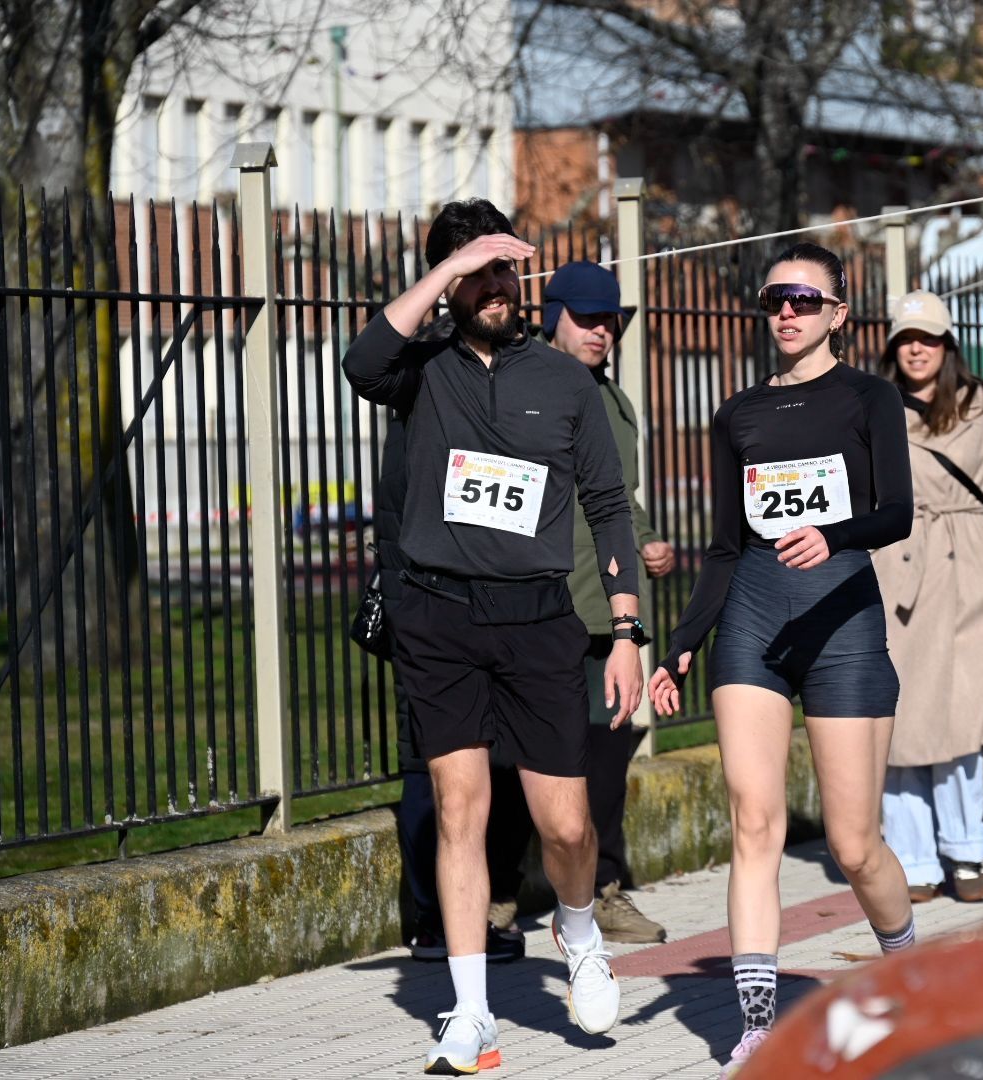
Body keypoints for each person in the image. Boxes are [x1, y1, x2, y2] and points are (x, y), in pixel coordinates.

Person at [343, 198, 643, 1075]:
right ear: (450, 284)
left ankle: (579, 931)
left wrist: (626, 631)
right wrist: (443, 272)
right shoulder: (421, 370)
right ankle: (470, 1013)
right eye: (480, 271)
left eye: (509, 269)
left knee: (566, 823)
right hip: (437, 617)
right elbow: (361, 360)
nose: (500, 286)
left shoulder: (563, 381)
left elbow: (608, 506)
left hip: (539, 620)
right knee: (460, 811)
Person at [647, 242, 916, 1078]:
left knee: (854, 843)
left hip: (843, 619)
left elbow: (897, 513)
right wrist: (683, 643)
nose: (787, 312)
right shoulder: (737, 415)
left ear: (840, 312)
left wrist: (830, 534)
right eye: (773, 300)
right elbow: (727, 547)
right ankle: (757, 1025)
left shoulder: (869, 398)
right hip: (756, 618)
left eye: (804, 297)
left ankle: (908, 969)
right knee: (754, 823)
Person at [870, 290, 983, 904]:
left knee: (963, 721)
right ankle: (912, 862)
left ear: (948, 346)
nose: (917, 349)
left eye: (930, 338)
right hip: (897, 573)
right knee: (901, 725)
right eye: (907, 338)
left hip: (968, 571)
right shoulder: (875, 407)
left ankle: (966, 853)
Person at [374, 324, 533, 968]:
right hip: (427, 604)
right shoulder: (418, 395)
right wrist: (405, 599)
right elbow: (395, 512)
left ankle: (465, 914)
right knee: (428, 768)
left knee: (479, 770)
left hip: (494, 609)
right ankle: (435, 922)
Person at [545, 259, 674, 943]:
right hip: (542, 601)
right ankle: (503, 890)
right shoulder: (527, 386)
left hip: (610, 610)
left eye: (610, 321)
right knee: (525, 755)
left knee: (607, 755)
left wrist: (648, 539)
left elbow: (618, 497)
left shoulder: (616, 400)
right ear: (551, 315)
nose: (601, 332)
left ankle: (606, 888)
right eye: (586, 318)